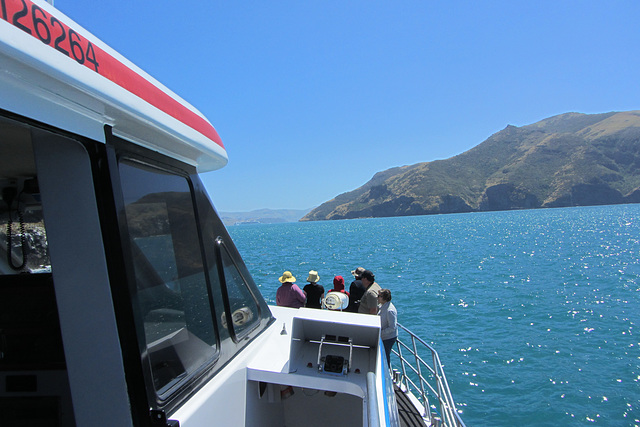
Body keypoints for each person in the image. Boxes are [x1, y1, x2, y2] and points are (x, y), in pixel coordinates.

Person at [377, 288, 398, 367]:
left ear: (384, 298)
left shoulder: (390, 310)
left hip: (388, 338)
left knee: (385, 356)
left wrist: (381, 333)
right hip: (383, 336)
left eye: (379, 296)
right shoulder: (382, 307)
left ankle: (387, 371)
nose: (377, 297)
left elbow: (392, 327)